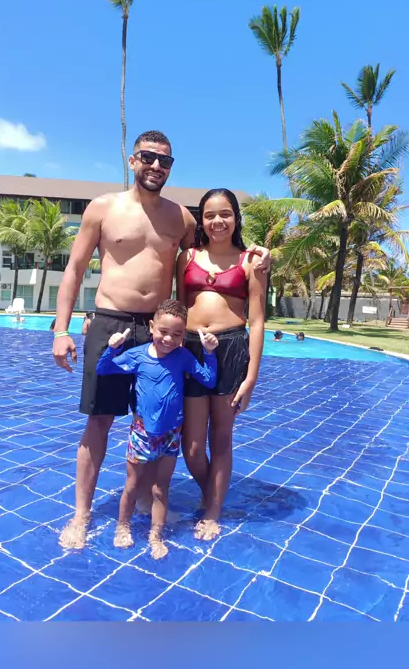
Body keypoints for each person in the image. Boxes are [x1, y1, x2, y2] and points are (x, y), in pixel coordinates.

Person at [52, 130, 271, 550]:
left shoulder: (182, 219)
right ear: (132, 160)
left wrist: (262, 256)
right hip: (112, 322)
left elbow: (216, 252)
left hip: (162, 332)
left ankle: (145, 503)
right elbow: (75, 269)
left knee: (159, 420)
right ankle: (81, 515)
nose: (156, 166)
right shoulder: (103, 208)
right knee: (98, 421)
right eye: (148, 157)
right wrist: (61, 329)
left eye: (165, 161)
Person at [177, 188, 267, 541]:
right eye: (210, 215)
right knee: (192, 447)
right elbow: (179, 307)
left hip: (231, 349)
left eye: (225, 214)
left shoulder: (251, 261)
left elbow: (257, 321)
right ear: (201, 220)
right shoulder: (186, 257)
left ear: (236, 218)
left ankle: (213, 511)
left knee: (221, 437)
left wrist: (251, 378)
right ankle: (212, 493)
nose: (218, 221)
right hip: (191, 348)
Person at [96, 300, 218, 559]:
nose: (169, 339)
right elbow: (103, 368)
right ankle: (123, 526)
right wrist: (113, 348)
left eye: (177, 334)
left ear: (184, 335)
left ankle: (156, 535)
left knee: (161, 488)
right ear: (152, 327)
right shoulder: (137, 355)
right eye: (163, 331)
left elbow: (208, 379)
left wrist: (209, 353)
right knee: (132, 485)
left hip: (171, 434)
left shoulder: (183, 357)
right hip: (142, 433)